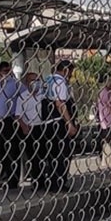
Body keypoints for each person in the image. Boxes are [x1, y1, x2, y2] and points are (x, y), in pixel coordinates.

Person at [40, 60, 78, 192]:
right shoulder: (60, 82)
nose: (71, 75)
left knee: (53, 153)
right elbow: (60, 103)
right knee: (63, 153)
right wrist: (69, 123)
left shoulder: (48, 79)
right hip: (58, 121)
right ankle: (59, 182)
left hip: (48, 122)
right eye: (71, 72)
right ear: (66, 70)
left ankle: (51, 181)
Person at [15, 72, 44, 186]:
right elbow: (18, 115)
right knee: (33, 156)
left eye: (37, 80)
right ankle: (35, 180)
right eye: (32, 80)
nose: (35, 83)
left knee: (43, 155)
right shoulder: (22, 97)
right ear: (27, 83)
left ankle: (43, 179)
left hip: (42, 126)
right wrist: (24, 127)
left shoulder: (43, 95)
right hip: (30, 128)